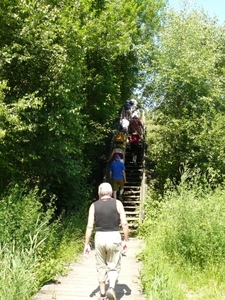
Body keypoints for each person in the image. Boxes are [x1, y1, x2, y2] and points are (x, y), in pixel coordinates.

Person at [83, 182, 129, 300]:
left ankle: (102, 294)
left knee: (101, 265)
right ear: (110, 193)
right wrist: (126, 240)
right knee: (113, 265)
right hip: (114, 236)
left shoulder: (94, 206)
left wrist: (87, 244)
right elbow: (124, 223)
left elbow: (89, 226)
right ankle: (111, 289)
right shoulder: (118, 204)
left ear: (99, 193)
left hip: (99, 237)